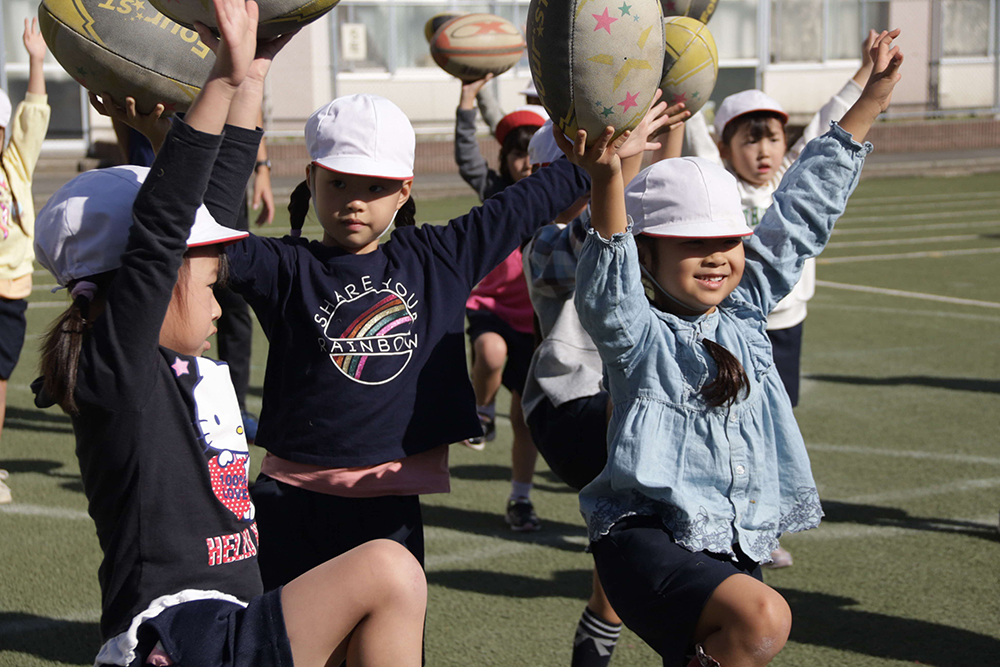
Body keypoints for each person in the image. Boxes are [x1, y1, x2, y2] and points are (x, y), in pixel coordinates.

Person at [30, 2, 427, 665]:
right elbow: (164, 227)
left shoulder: (173, 358)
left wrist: (254, 76)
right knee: (389, 570)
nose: (219, 305)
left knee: (378, 586)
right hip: (178, 642)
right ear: (134, 287)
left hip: (227, 627)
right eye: (208, 286)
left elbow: (204, 207)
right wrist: (221, 73)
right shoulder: (119, 371)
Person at [560, 30, 902, 667]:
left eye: (729, 240)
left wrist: (871, 100)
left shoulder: (745, 314)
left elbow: (802, 210)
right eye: (692, 243)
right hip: (646, 540)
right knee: (764, 619)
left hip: (730, 542)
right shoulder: (640, 335)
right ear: (648, 254)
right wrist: (608, 178)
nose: (717, 254)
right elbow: (608, 287)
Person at [221, 82, 590, 589]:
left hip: (390, 510)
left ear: (404, 191)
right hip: (291, 502)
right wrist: (238, 91)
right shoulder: (285, 267)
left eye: (375, 187)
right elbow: (204, 228)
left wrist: (596, 148)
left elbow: (527, 202)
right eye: (340, 183)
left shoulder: (438, 259)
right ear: (311, 177)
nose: (355, 202)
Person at [683, 29, 884, 569]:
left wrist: (867, 73)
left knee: (771, 426)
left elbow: (830, 124)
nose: (765, 149)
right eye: (750, 139)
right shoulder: (717, 189)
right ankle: (710, 515)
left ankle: (759, 527)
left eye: (772, 137)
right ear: (725, 148)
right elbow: (693, 128)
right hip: (729, 333)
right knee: (728, 428)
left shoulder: (791, 177)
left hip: (785, 326)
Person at [522, 100, 686, 667]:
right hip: (568, 407)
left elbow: (661, 209)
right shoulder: (542, 244)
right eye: (583, 172)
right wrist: (617, 163)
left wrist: (676, 122)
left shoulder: (635, 228)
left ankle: (602, 624)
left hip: (619, 407)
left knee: (643, 524)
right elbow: (601, 234)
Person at [107, 103, 274, 442]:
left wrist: (262, 168)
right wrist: (147, 157)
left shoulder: (215, 64)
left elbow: (245, 99)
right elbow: (121, 116)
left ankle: (234, 405)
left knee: (229, 296)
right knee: (159, 298)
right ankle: (168, 400)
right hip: (158, 185)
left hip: (216, 174)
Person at [455, 74, 548, 529]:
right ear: (506, 158)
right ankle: (482, 412)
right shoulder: (497, 194)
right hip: (491, 310)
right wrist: (466, 101)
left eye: (534, 154)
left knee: (526, 416)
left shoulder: (557, 201)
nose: (526, 163)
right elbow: (467, 158)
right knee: (489, 351)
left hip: (536, 320)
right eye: (517, 153)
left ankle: (521, 498)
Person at [0, 18, 51, 505]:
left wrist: (36, 59)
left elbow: (32, 115)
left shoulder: (14, 163)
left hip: (10, 289)